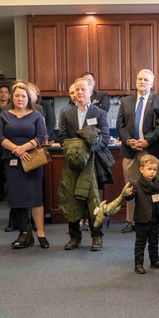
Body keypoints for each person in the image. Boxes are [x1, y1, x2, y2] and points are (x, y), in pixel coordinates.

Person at [59, 78, 110, 251]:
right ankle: (75, 237)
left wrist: (88, 149)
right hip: (72, 164)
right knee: (73, 199)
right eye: (77, 90)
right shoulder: (66, 113)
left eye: (83, 90)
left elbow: (105, 138)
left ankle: (97, 236)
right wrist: (75, 152)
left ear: (90, 92)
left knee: (93, 200)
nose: (80, 93)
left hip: (93, 164)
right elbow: (63, 138)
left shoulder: (100, 113)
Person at [0, 82, 48, 249]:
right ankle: (25, 233)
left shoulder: (36, 115)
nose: (20, 98)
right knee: (17, 197)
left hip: (32, 159)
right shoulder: (4, 115)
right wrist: (15, 150)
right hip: (11, 160)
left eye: (23, 96)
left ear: (29, 99)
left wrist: (23, 148)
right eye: (17, 95)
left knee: (35, 197)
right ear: (13, 97)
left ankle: (40, 233)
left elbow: (41, 136)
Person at [117, 68, 159, 234]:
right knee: (131, 186)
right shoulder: (126, 101)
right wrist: (128, 141)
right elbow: (120, 125)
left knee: (154, 185)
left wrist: (147, 141)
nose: (142, 82)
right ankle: (131, 220)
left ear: (152, 83)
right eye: (140, 79)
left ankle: (156, 220)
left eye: (146, 80)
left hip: (151, 150)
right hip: (130, 150)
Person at [123, 154, 159, 274]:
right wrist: (127, 194)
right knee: (140, 243)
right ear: (141, 169)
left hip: (154, 219)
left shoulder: (157, 184)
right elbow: (131, 197)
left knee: (154, 242)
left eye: (154, 169)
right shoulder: (136, 184)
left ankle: (155, 261)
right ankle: (138, 264)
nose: (152, 172)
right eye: (149, 169)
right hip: (141, 220)